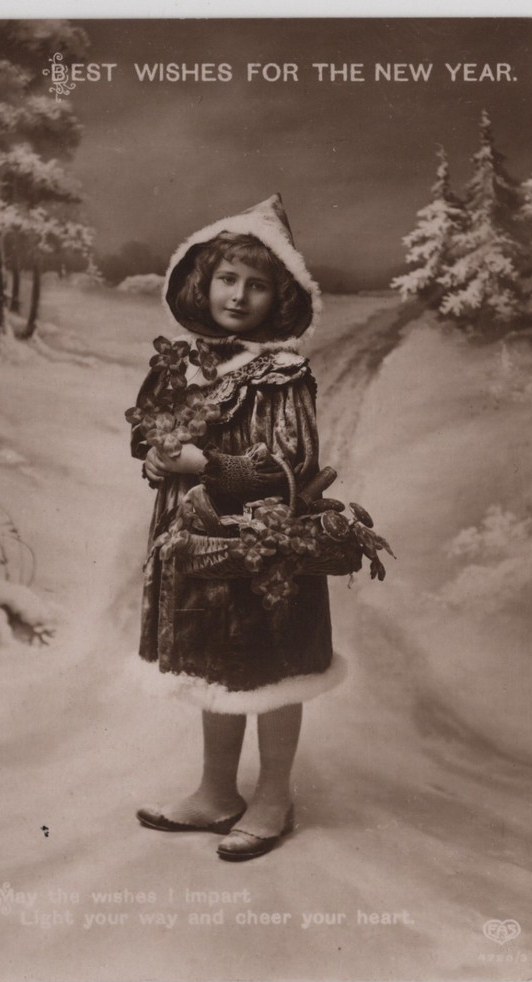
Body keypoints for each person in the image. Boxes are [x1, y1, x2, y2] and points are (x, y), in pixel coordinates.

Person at [129, 193, 346, 861]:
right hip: (194, 543)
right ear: (204, 279)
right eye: (228, 278)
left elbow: (291, 467)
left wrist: (208, 464)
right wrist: (159, 456)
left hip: (262, 542)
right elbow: (147, 430)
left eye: (257, 284)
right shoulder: (185, 363)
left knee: (271, 665)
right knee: (214, 666)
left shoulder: (282, 375)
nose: (238, 294)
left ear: (278, 298)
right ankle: (216, 790)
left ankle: (274, 794)